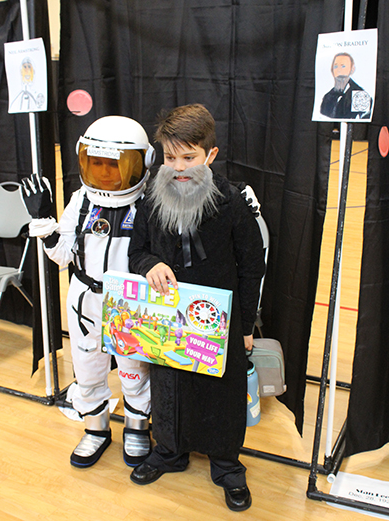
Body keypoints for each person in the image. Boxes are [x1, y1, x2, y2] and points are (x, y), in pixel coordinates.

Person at [128, 104, 265, 512]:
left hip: (219, 318)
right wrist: (150, 265)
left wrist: (245, 326)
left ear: (210, 154)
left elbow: (252, 265)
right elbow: (137, 251)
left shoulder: (232, 202)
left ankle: (226, 466)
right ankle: (169, 451)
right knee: (168, 387)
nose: (179, 166)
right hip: (168, 317)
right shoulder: (151, 199)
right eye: (170, 158)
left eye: (188, 157)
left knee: (221, 391)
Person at [20, 116, 155, 469]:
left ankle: (138, 427)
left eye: (116, 166)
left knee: (134, 369)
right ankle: (95, 428)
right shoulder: (82, 202)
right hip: (85, 299)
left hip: (130, 303)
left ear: (141, 163)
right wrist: (47, 224)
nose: (107, 175)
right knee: (88, 368)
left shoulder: (148, 206)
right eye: (96, 164)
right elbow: (64, 256)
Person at [320, 52, 372, 119]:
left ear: (352, 69)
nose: (339, 70)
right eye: (335, 66)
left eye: (343, 66)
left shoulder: (360, 95)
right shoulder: (327, 96)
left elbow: (363, 120)